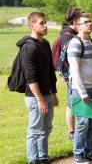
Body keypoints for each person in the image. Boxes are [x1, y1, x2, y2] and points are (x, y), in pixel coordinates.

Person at [67, 11, 92, 163]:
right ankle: (78, 155)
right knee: (82, 124)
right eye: (86, 22)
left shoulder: (91, 42)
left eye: (90, 21)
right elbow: (74, 70)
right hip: (80, 90)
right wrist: (83, 92)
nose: (90, 24)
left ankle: (90, 152)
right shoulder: (75, 43)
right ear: (78, 27)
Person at [20, 12, 58, 164]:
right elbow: (31, 78)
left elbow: (50, 71)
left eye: (45, 22)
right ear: (32, 26)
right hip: (36, 97)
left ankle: (43, 157)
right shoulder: (29, 48)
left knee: (46, 128)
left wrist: (53, 93)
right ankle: (33, 159)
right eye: (41, 23)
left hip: (47, 94)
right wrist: (40, 99)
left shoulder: (45, 44)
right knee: (35, 130)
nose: (45, 25)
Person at [59, 7, 81, 141]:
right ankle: (72, 132)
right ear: (74, 20)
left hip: (76, 75)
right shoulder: (67, 36)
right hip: (72, 76)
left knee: (73, 103)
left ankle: (76, 132)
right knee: (71, 104)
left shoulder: (70, 33)